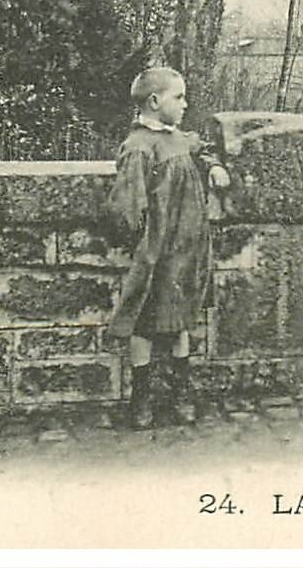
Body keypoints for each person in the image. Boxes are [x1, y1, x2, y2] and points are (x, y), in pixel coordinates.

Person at [106, 66, 231, 429]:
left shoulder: (179, 139)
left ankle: (181, 391)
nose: (185, 104)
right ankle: (141, 397)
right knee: (144, 323)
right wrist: (142, 242)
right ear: (154, 101)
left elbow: (202, 149)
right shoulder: (139, 147)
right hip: (156, 252)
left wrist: (213, 167)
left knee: (180, 321)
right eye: (179, 97)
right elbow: (127, 206)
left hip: (186, 250)